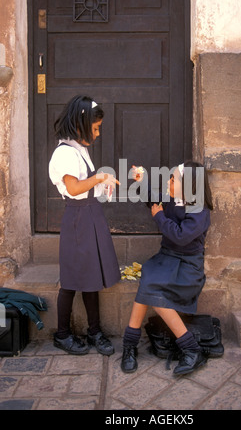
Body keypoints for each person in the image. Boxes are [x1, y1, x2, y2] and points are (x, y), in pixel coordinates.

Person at [121, 161, 213, 375]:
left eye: (173, 180)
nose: (169, 182)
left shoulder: (200, 211)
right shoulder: (172, 198)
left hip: (188, 266)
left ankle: (190, 348)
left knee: (151, 291)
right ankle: (130, 346)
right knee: (148, 282)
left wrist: (160, 217)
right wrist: (142, 182)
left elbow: (180, 236)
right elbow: (154, 201)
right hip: (166, 258)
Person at [49, 95, 121, 355]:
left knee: (92, 276)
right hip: (78, 219)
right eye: (96, 128)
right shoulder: (64, 154)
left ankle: (95, 331)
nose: (98, 133)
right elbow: (74, 187)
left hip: (91, 214)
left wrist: (102, 184)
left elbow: (87, 184)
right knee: (70, 278)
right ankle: (62, 334)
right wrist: (100, 176)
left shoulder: (80, 150)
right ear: (80, 124)